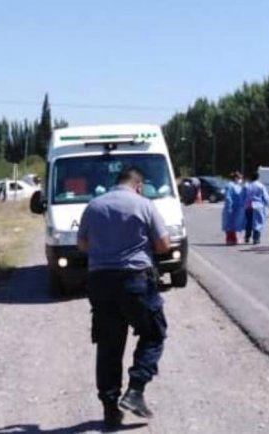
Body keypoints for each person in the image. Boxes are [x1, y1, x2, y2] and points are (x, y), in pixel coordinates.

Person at [77, 167, 170, 428]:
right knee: (153, 333)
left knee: (108, 345)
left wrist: (106, 247)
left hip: (100, 281)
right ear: (138, 185)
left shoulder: (94, 206)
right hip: (135, 280)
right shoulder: (144, 205)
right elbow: (163, 245)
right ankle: (136, 390)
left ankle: (110, 409)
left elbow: (81, 244)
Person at [241, 171, 269, 244]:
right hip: (258, 206)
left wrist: (242, 205)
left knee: (248, 222)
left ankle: (247, 237)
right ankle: (256, 238)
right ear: (258, 177)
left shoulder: (246, 186)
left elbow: (242, 196)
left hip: (248, 205)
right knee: (258, 222)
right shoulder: (261, 186)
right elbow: (266, 197)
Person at [222, 172, 245, 246]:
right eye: (240, 178)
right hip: (231, 208)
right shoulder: (230, 185)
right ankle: (229, 239)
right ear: (236, 178)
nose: (241, 180)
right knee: (229, 224)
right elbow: (228, 197)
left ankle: (234, 238)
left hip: (237, 208)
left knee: (235, 224)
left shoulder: (237, 186)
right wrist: (229, 207)